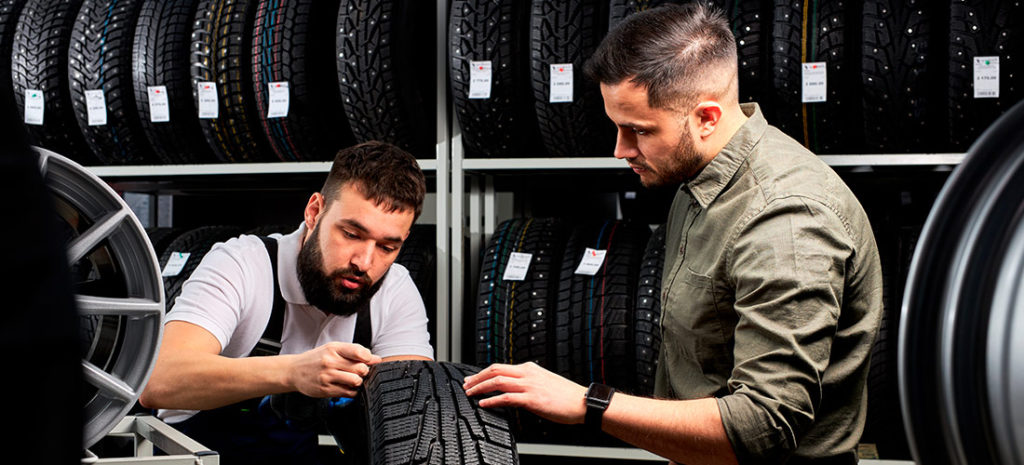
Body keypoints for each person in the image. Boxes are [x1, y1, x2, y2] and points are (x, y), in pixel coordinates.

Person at [462, 4, 882, 465]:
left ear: (706, 117)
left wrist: (589, 404)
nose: (620, 149)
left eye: (638, 130)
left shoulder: (786, 221)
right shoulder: (700, 180)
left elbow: (762, 425)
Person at [140, 141, 433, 464]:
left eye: (387, 247)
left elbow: (413, 409)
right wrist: (294, 372)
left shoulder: (395, 287)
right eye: (351, 234)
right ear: (314, 212)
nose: (364, 262)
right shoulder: (243, 263)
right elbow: (159, 380)